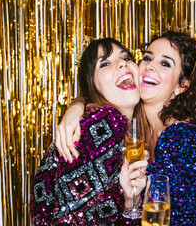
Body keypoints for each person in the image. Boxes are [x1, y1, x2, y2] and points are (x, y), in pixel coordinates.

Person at [57, 31, 196, 225]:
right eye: (147, 58)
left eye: (165, 63)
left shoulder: (186, 139)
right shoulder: (129, 132)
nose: (150, 66)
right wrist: (76, 106)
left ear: (182, 85)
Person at [31, 38, 148, 225]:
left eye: (126, 57)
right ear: (92, 85)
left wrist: (129, 201)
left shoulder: (113, 128)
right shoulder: (105, 122)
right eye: (106, 63)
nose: (122, 63)